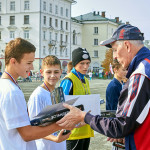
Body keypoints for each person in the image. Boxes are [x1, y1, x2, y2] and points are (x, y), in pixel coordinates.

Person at [57, 24, 150, 150]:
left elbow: (121, 126)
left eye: (115, 50)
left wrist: (84, 117)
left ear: (127, 46)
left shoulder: (141, 74)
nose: (114, 56)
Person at [0, 38, 72, 150]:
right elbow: (27, 134)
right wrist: (62, 124)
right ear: (13, 61)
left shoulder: (5, 86)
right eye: (29, 63)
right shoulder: (11, 92)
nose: (32, 68)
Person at [28, 55, 70, 150]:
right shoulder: (38, 95)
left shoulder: (59, 92)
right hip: (45, 146)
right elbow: (33, 128)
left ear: (61, 72)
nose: (52, 75)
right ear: (42, 72)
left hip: (60, 145)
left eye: (56, 72)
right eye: (48, 72)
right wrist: (54, 138)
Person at [60, 47, 94, 150]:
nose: (85, 66)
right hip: (73, 133)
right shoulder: (68, 80)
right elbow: (61, 106)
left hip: (85, 130)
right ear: (75, 63)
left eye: (87, 63)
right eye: (82, 63)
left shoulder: (85, 80)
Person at [106, 59, 127, 150]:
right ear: (115, 70)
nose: (126, 72)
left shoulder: (122, 83)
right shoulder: (113, 86)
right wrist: (117, 131)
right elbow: (113, 110)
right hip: (117, 128)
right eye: (123, 70)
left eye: (127, 69)